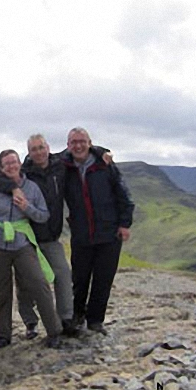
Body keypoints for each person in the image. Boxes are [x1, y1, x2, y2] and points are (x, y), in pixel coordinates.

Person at [0, 134, 111, 339]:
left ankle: (66, 319)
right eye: (34, 149)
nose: (38, 152)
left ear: (48, 148)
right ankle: (30, 323)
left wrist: (100, 151)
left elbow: (80, 148)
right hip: (28, 237)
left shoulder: (60, 165)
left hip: (51, 235)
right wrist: (13, 187)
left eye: (41, 147)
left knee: (62, 274)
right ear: (28, 153)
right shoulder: (24, 169)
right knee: (26, 283)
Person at [0, 149, 62, 349]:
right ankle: (3, 335)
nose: (11, 166)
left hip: (22, 244)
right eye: (6, 163)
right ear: (1, 167)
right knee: (2, 291)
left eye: (14, 162)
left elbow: (43, 215)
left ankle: (53, 331)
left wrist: (26, 207)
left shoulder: (31, 188)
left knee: (39, 284)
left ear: (19, 164)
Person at [62, 127, 134, 335]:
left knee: (103, 279)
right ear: (68, 145)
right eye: (73, 142)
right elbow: (36, 160)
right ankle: (77, 316)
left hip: (109, 232)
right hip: (81, 233)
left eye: (82, 141)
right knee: (80, 278)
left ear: (89, 143)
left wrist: (124, 224)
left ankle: (95, 320)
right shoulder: (64, 166)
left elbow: (124, 195)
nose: (78, 145)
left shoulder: (105, 165)